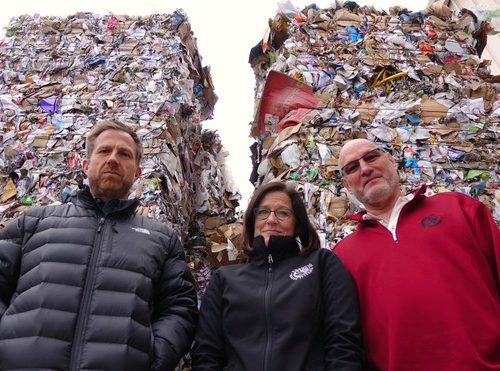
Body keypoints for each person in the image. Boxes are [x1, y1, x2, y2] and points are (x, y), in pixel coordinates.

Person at [0, 120, 198, 370]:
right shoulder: (32, 223)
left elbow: (180, 308)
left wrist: (154, 359)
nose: (113, 159)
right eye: (104, 151)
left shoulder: (161, 239)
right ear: (86, 165)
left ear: (137, 172)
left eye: (124, 154)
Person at [334, 138, 500, 371]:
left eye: (371, 157)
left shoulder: (459, 208)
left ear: (392, 161)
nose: (365, 168)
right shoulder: (342, 256)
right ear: (347, 185)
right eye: (352, 167)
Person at [191, 181, 363, 370]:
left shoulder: (321, 265)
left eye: (282, 213)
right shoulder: (224, 279)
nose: (271, 219)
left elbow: (343, 341)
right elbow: (206, 353)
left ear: (297, 224)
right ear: (252, 221)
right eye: (263, 212)